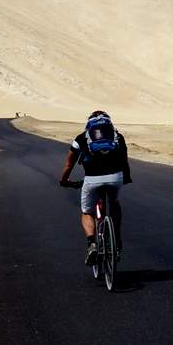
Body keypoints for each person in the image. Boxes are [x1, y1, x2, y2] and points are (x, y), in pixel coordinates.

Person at [57, 110, 132, 266]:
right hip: (115, 177)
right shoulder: (118, 136)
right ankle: (116, 239)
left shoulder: (81, 138)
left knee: (87, 212)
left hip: (92, 179)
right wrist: (126, 177)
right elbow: (124, 161)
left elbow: (69, 164)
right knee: (115, 203)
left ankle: (92, 244)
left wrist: (64, 180)